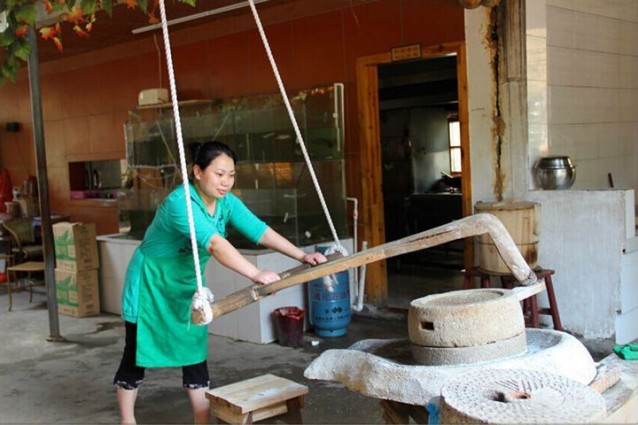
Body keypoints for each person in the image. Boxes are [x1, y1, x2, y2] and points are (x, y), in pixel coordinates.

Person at [113, 141, 327, 424]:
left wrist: (302, 255)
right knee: (136, 353)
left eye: (231, 175)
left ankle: (201, 421)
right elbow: (214, 244)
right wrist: (255, 273)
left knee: (194, 352)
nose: (226, 182)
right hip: (150, 283)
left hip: (186, 284)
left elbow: (259, 230)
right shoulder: (182, 203)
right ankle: (127, 421)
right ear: (198, 172)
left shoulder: (226, 202)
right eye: (219, 174)